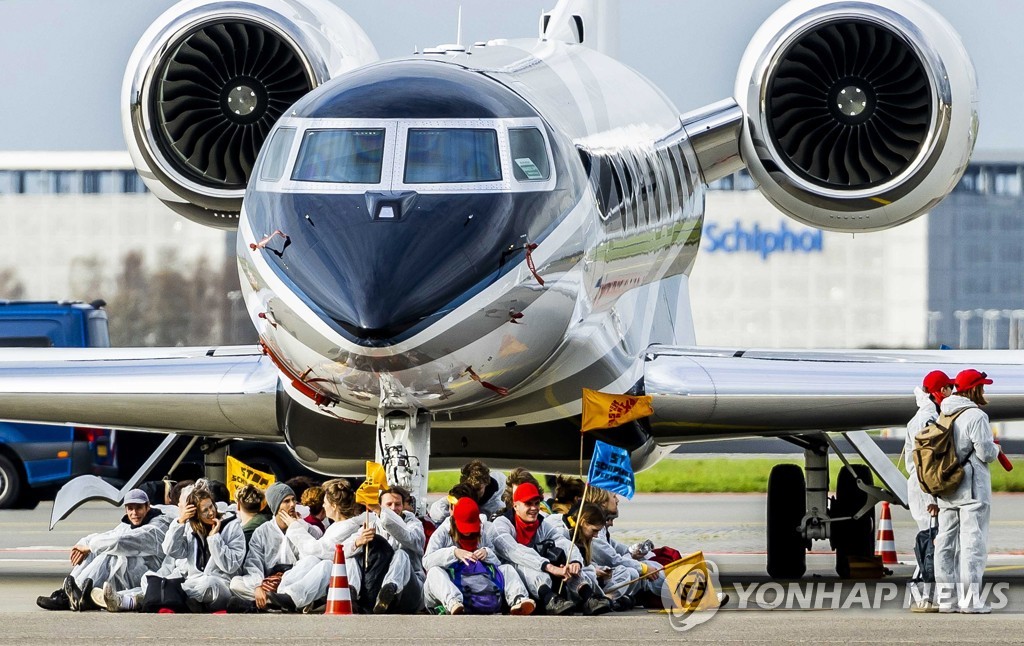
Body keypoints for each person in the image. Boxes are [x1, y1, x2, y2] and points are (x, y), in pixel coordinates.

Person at [36, 489, 172, 611]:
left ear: (147, 507)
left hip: (148, 572)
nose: (134, 513)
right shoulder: (128, 524)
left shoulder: (155, 528)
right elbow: (109, 535)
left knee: (109, 553)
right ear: (125, 510)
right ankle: (68, 592)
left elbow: (121, 541)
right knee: (94, 550)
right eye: (130, 509)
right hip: (131, 570)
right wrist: (85, 543)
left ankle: (74, 594)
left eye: (138, 508)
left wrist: (90, 546)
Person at [934, 369, 1001, 614]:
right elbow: (985, 452)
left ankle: (945, 599)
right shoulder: (976, 416)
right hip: (972, 489)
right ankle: (971, 600)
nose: (984, 390)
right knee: (973, 543)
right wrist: (996, 448)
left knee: (945, 543)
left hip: (946, 487)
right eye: (982, 386)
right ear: (975, 389)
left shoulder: (943, 413)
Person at [422, 497, 532, 615]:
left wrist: (487, 553)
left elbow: (497, 563)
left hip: (478, 585)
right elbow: (427, 561)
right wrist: (454, 553)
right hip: (450, 585)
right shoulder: (442, 533)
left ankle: (518, 599)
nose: (468, 532)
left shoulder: (482, 532)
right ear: (454, 520)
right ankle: (453, 603)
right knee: (434, 571)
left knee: (507, 568)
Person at [227, 482, 322, 613]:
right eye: (286, 501)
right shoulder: (262, 531)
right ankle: (272, 602)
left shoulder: (304, 527)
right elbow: (253, 564)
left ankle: (259, 605)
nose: (293, 504)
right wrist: (257, 586)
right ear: (276, 506)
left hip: (294, 581)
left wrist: (299, 526)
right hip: (269, 584)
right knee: (235, 583)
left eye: (294, 500)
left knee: (314, 565)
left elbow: (312, 556)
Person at [273, 478, 366, 612]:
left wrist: (294, 527)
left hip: (346, 578)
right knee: (312, 560)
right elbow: (317, 549)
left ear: (334, 506)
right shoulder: (337, 525)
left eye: (325, 503)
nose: (323, 506)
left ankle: (293, 598)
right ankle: (285, 593)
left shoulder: (348, 526)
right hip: (337, 573)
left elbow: (319, 549)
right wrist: (300, 524)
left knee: (324, 564)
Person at [905, 370, 954, 612]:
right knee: (931, 539)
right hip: (925, 487)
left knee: (934, 537)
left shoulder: (932, 414)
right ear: (939, 391)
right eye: (948, 388)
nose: (951, 392)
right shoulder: (926, 419)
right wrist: (931, 497)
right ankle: (923, 592)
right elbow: (924, 462)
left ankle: (928, 592)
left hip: (926, 485)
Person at [491, 481, 578, 615]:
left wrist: (574, 562)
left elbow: (563, 541)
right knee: (523, 565)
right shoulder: (501, 525)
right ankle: (550, 599)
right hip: (507, 579)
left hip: (540, 578)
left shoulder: (542, 524)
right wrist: (549, 567)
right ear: (515, 506)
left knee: (574, 566)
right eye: (528, 504)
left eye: (537, 503)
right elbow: (515, 551)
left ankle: (588, 595)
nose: (534, 508)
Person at [161, 486, 246, 611]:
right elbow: (171, 550)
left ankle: (182, 600)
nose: (211, 512)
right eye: (205, 510)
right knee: (158, 581)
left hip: (221, 583)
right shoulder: (191, 527)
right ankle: (189, 601)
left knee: (208, 584)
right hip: (193, 582)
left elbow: (230, 565)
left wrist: (214, 538)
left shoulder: (232, 526)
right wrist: (180, 522)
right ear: (196, 514)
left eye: (211, 506)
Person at [345, 485, 425, 614]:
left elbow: (410, 538)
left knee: (401, 554)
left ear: (403, 505)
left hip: (409, 589)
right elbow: (341, 551)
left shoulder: (414, 525)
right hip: (376, 586)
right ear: (381, 505)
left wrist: (381, 512)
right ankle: (351, 593)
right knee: (352, 556)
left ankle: (389, 591)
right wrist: (358, 542)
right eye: (389, 504)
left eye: (398, 504)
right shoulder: (371, 524)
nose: (394, 508)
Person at [428, 461, 507, 523]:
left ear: (486, 484)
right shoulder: (457, 497)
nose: (473, 493)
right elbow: (436, 514)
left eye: (477, 489)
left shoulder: (496, 507)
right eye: (469, 488)